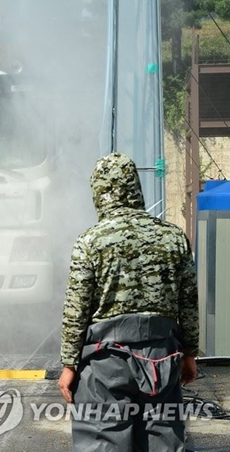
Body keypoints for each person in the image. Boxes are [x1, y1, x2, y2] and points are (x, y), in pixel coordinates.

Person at [58, 153, 199, 452]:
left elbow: (76, 309)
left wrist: (69, 364)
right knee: (162, 439)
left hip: (105, 363)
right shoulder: (173, 237)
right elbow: (188, 302)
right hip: (162, 358)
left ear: (98, 193)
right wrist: (189, 353)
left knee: (103, 437)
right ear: (136, 188)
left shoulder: (90, 242)